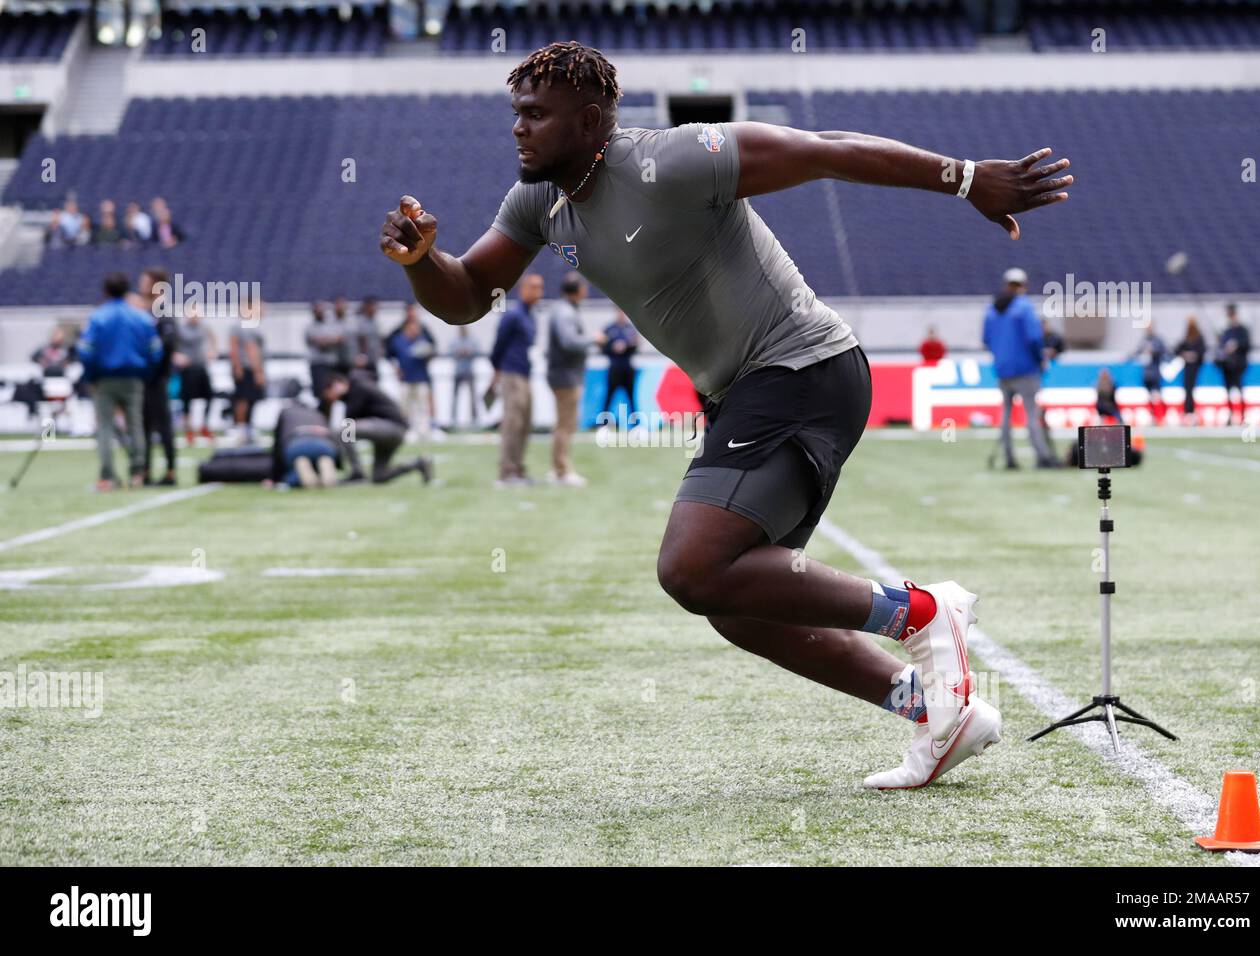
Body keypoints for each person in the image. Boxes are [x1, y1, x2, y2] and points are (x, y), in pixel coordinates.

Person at [379, 41, 1073, 788]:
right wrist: (422, 262)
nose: (519, 128)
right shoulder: (537, 202)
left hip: (803, 368)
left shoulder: (673, 160)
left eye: (537, 115)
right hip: (747, 393)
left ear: (588, 121)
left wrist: (964, 178)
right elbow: (468, 296)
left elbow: (826, 149)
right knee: (739, 603)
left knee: (691, 566)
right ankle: (936, 710)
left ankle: (925, 613)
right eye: (517, 113)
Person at [76, 273, 161, 490]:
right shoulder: (141, 317)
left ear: (105, 291)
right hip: (133, 379)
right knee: (135, 425)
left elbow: (86, 351)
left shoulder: (98, 317)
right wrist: (145, 373)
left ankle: (107, 477)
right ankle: (137, 474)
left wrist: (91, 375)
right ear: (127, 290)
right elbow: (155, 350)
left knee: (104, 426)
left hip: (104, 380)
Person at [983, 268, 1058, 469]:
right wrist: (1040, 359)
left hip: (1002, 369)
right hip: (1025, 369)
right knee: (1031, 414)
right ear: (1023, 285)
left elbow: (986, 340)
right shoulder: (1024, 307)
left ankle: (1008, 458)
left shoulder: (992, 309)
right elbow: (1034, 338)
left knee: (1006, 415)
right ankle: (1042, 456)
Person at [320, 371, 431, 484]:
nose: (331, 398)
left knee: (344, 431)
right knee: (379, 476)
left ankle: (357, 473)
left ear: (337, 384)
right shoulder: (358, 388)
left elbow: (350, 419)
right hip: (393, 432)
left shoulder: (358, 388)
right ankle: (418, 464)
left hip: (390, 426)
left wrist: (329, 433)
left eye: (330, 393)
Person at [488, 273, 541, 486]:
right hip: (512, 374)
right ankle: (507, 472)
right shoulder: (513, 315)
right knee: (513, 423)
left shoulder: (531, 316)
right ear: (523, 289)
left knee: (525, 423)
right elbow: (498, 344)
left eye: (540, 287)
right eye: (534, 287)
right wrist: (497, 369)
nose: (538, 292)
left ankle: (518, 469)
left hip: (525, 374)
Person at [547, 271, 591, 486]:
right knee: (565, 424)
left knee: (564, 424)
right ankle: (562, 471)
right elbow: (570, 342)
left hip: (564, 374)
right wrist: (592, 339)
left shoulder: (563, 309)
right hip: (566, 376)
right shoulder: (565, 312)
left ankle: (558, 468)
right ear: (578, 289)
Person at [138, 267, 179, 486]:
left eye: (146, 282)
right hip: (144, 378)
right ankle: (145, 471)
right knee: (144, 425)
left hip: (157, 379)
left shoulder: (161, 310)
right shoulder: (145, 311)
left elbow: (169, 344)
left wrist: (157, 368)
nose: (141, 285)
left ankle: (170, 472)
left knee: (163, 425)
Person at [386, 303, 440, 440]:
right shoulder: (398, 338)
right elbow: (389, 354)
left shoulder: (423, 336)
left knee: (422, 405)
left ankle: (424, 430)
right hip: (406, 378)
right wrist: (396, 369)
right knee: (405, 407)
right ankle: (406, 430)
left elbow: (434, 350)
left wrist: (428, 356)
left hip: (421, 376)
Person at [270, 401, 340, 488]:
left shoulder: (285, 413)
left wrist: (275, 477)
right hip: (324, 445)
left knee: (293, 472)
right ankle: (325, 466)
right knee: (324, 458)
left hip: (297, 444)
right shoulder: (317, 413)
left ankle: (301, 469)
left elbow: (278, 444)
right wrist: (337, 462)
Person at [173, 304, 217, 444]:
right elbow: (172, 346)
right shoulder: (181, 329)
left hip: (201, 367)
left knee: (209, 397)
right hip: (188, 369)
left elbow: (213, 338)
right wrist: (177, 356)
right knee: (187, 400)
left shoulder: (204, 327)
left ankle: (204, 426)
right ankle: (189, 430)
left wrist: (212, 351)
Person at [229, 308, 265, 443]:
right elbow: (249, 349)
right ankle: (240, 429)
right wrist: (257, 371)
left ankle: (247, 428)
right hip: (247, 368)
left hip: (249, 368)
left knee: (251, 400)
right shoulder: (244, 327)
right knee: (243, 400)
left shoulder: (251, 326)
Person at [305, 300, 347, 404]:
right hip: (318, 364)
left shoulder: (332, 325)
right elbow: (319, 342)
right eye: (317, 310)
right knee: (320, 392)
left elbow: (340, 339)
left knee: (334, 392)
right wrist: (329, 340)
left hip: (332, 363)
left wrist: (327, 340)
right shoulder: (310, 327)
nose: (320, 312)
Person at [600, 310, 638, 421]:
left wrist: (626, 346)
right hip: (614, 368)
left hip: (627, 368)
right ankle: (603, 422)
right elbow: (602, 348)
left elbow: (635, 347)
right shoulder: (609, 329)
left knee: (631, 397)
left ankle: (635, 422)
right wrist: (613, 346)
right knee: (609, 396)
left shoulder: (630, 329)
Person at [1216, 304, 1251, 426]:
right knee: (1228, 391)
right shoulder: (1226, 331)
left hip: (1238, 366)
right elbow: (1221, 347)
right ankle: (1230, 416)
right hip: (1227, 366)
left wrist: (1236, 345)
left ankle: (1243, 416)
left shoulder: (1242, 330)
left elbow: (1246, 345)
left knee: (1239, 390)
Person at [1127, 327, 1168, 422]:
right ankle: (1153, 416)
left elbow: (1165, 352)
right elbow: (1137, 352)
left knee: (1157, 396)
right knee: (1149, 397)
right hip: (1146, 374)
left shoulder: (1158, 341)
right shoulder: (1144, 341)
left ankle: (1162, 416)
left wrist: (1154, 351)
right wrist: (1128, 357)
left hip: (1155, 373)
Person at [1175, 316, 1206, 425]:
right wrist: (1184, 355)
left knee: (1191, 391)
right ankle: (1188, 413)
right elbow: (1177, 349)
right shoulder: (1187, 338)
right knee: (1187, 390)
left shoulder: (1198, 338)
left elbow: (1201, 352)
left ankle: (1192, 414)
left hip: (1195, 368)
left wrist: (1194, 356)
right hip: (1187, 368)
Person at [450, 326, 481, 428]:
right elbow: (450, 352)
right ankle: (453, 419)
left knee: (473, 397)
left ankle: (475, 420)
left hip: (469, 371)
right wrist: (458, 352)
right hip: (458, 371)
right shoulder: (455, 341)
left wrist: (469, 351)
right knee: (455, 397)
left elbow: (478, 351)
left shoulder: (472, 340)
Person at [350, 297, 384, 381]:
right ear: (367, 307)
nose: (375, 309)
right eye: (373, 306)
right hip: (363, 360)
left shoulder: (375, 321)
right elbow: (360, 340)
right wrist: (361, 355)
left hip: (374, 358)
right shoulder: (360, 321)